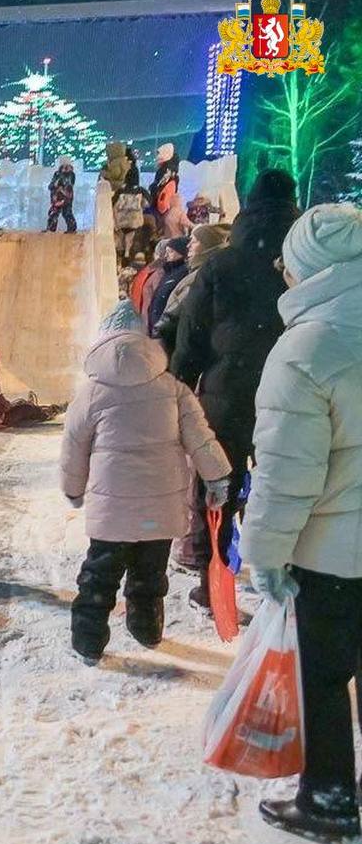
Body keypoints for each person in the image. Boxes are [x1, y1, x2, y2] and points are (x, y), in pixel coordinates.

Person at [238, 204, 362, 843]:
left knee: (321, 677)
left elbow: (288, 472)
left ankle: (332, 799)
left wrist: (263, 553)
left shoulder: (308, 347)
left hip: (339, 558)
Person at [60, 302, 231, 664]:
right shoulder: (172, 388)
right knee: (149, 572)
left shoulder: (90, 393)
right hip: (159, 510)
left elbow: (74, 445)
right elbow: (200, 437)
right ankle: (147, 628)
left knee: (99, 575)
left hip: (113, 511)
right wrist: (217, 476)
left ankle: (88, 640)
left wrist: (73, 489)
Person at [170, 168, 300, 610]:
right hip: (292, 402)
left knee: (216, 491)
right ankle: (281, 587)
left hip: (226, 397)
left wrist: (181, 391)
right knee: (283, 491)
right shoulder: (302, 268)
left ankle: (213, 585)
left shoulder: (220, 265)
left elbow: (190, 338)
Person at [152, 224, 231, 356]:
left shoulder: (202, 276)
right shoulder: (195, 272)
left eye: (194, 241)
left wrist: (160, 332)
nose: (188, 246)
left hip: (179, 349)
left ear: (207, 245)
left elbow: (182, 314)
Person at [0, 345, 63, 429]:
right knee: (25, 408)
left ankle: (36, 408)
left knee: (18, 405)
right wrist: (10, 406)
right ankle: (47, 413)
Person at [144, 236, 190, 334]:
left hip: (165, 330)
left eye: (171, 252)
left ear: (182, 253)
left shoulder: (183, 273)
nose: (166, 255)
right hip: (156, 326)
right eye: (166, 251)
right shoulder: (168, 272)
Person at [150, 142, 180, 222]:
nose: (157, 156)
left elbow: (159, 186)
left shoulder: (165, 170)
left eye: (159, 153)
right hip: (168, 205)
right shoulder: (173, 171)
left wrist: (152, 188)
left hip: (160, 205)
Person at [47, 156, 78, 233]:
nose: (65, 168)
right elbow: (52, 185)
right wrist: (55, 187)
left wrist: (60, 189)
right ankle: (51, 228)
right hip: (58, 197)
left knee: (66, 213)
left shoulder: (70, 175)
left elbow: (68, 185)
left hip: (65, 197)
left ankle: (71, 228)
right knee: (55, 213)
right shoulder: (58, 174)